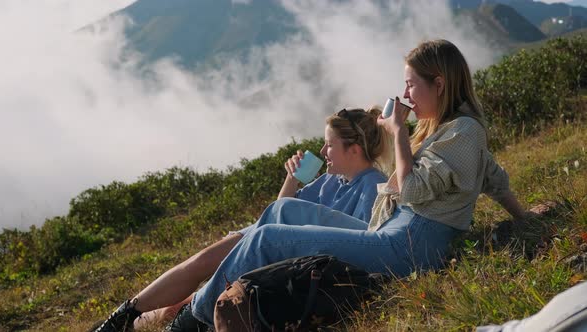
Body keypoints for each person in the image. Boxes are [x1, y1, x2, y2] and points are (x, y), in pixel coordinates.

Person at [153, 38, 533, 331]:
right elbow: (491, 177)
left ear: (439, 83)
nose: (406, 96)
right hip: (393, 231)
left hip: (408, 247)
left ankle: (190, 321)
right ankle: (199, 303)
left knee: (264, 240)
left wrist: (399, 132)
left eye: (412, 86)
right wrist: (523, 217)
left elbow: (413, 190)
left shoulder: (463, 131)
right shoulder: (445, 130)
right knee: (286, 209)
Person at [93, 106, 392, 331]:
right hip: (272, 236)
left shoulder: (370, 185)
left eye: (330, 145)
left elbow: (354, 244)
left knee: (198, 290)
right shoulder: (332, 180)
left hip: (287, 252)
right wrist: (291, 178)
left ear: (353, 149)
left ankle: (151, 321)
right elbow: (279, 211)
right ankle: (124, 317)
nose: (324, 151)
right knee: (200, 263)